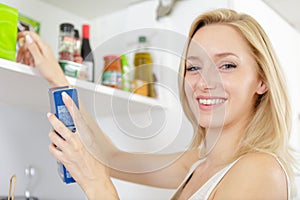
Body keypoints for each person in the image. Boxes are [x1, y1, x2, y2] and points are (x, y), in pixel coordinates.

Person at [17, 8, 295, 200]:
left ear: (262, 81)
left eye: (227, 65)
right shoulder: (198, 162)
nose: (204, 82)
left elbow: (103, 169)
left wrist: (97, 184)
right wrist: (57, 78)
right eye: (194, 67)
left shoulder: (260, 171)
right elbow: (111, 158)